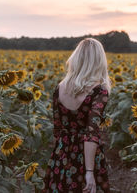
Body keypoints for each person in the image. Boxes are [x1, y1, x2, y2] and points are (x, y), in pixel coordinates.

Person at [42, 38, 112, 193]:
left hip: (62, 155)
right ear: (99, 61)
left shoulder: (59, 88)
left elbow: (57, 130)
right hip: (86, 158)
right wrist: (89, 172)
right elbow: (91, 133)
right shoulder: (99, 91)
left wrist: (61, 156)